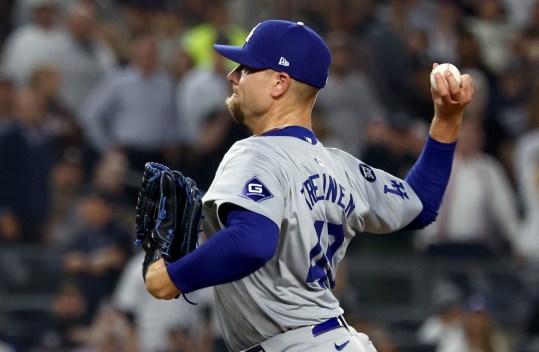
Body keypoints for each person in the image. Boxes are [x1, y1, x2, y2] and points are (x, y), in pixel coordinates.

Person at [144, 20, 475, 352]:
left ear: (279, 83)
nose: (232, 76)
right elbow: (420, 202)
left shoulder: (254, 154)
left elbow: (251, 243)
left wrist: (171, 278)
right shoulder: (341, 167)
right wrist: (447, 121)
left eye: (245, 68)